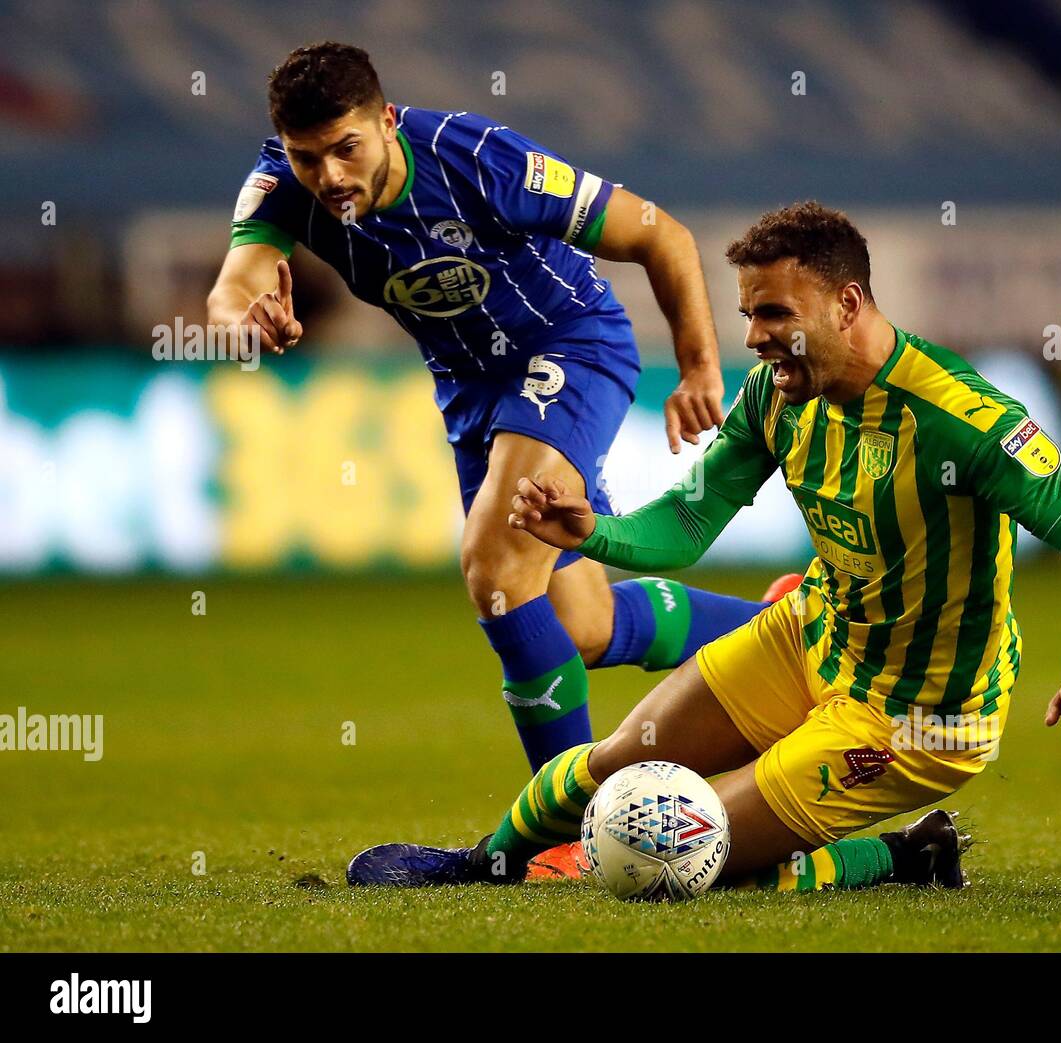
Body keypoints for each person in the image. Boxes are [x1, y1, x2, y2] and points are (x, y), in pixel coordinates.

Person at [347, 201, 1061, 892]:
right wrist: (596, 533)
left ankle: (901, 856)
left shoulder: (961, 419)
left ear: (847, 303)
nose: (754, 338)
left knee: (682, 854)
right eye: (749, 315)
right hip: (811, 636)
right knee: (613, 761)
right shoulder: (777, 396)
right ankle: (488, 861)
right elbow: (689, 521)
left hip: (916, 717)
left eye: (773, 316)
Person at [206, 42, 790, 772]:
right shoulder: (280, 183)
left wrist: (700, 366)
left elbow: (657, 233)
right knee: (583, 625)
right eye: (306, 156)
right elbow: (235, 284)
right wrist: (246, 320)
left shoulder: (479, 159)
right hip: (470, 390)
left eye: (345, 148)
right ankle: (788, 631)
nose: (328, 175)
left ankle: (566, 830)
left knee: (496, 570)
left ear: (386, 122)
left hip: (570, 347)